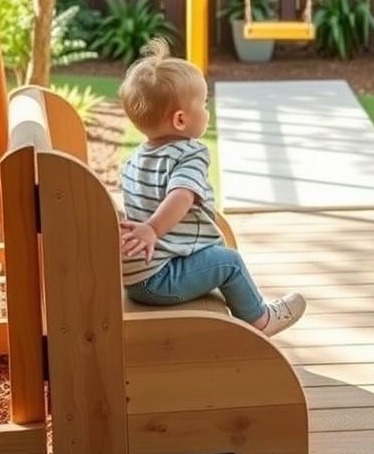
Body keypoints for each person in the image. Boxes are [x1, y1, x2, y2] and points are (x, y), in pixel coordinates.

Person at [117, 37, 306, 337]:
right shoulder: (189, 153)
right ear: (180, 120)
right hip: (161, 279)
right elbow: (182, 194)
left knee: (216, 252)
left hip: (137, 280)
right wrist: (153, 228)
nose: (207, 111)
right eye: (203, 104)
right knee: (229, 261)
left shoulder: (134, 160)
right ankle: (260, 319)